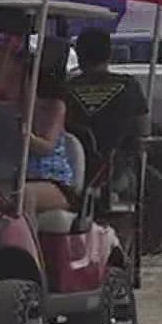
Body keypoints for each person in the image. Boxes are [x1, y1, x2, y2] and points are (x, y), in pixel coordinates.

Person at [63, 27, 149, 190]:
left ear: (79, 56)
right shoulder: (129, 85)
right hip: (116, 172)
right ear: (109, 55)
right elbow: (143, 129)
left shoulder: (65, 89)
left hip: (70, 169)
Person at [23, 51, 74, 217]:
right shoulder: (10, 108)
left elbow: (46, 147)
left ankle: (26, 243)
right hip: (17, 178)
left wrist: (24, 137)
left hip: (53, 180)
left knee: (25, 196)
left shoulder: (54, 106)